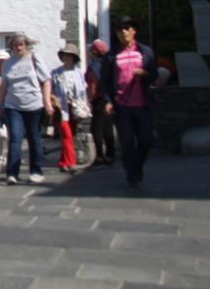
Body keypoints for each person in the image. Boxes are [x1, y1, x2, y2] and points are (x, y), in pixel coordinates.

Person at [101, 17, 166, 191]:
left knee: (146, 140)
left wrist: (145, 74)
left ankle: (136, 167)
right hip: (122, 105)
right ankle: (132, 177)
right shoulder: (111, 56)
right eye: (119, 29)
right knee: (127, 143)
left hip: (142, 103)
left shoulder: (145, 52)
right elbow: (105, 81)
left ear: (134, 31)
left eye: (126, 28)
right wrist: (108, 101)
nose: (123, 32)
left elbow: (154, 74)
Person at [0, 34, 53, 185]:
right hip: (13, 105)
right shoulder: (8, 64)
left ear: (26, 45)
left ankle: (36, 171)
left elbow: (46, 81)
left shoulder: (34, 58)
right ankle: (12, 173)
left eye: (21, 44)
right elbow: (4, 86)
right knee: (15, 137)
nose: (18, 47)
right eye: (15, 45)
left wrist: (47, 101)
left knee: (34, 138)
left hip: (34, 104)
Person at [50, 44, 89, 174]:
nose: (66, 58)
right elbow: (49, 90)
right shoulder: (55, 73)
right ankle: (71, 162)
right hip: (61, 109)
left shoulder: (79, 73)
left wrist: (85, 105)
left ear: (74, 58)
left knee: (71, 135)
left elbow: (83, 91)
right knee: (67, 134)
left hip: (76, 108)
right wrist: (52, 101)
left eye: (69, 55)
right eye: (64, 55)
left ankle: (63, 162)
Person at [86, 39, 115, 167]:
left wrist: (90, 100)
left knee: (96, 128)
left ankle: (99, 157)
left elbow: (93, 84)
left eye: (90, 50)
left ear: (94, 51)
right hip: (109, 99)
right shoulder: (108, 63)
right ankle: (110, 155)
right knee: (108, 127)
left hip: (99, 99)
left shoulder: (95, 65)